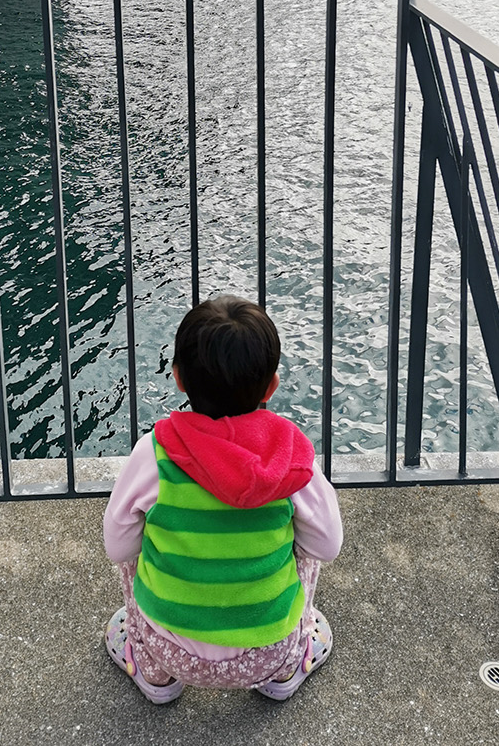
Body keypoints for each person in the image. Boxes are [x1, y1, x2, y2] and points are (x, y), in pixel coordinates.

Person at [103, 293, 343, 703]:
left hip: (171, 648)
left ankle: (155, 677)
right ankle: (285, 673)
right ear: (272, 385)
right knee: (305, 547)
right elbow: (328, 545)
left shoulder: (155, 452)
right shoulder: (291, 459)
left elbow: (116, 546)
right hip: (265, 652)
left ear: (178, 377)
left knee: (136, 546)